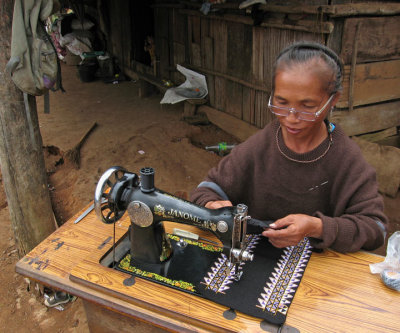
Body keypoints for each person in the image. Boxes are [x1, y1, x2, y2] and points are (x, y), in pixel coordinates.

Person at [190, 41, 388, 253]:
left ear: (333, 100)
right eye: (281, 102)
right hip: (258, 259)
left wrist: (317, 228)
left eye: (307, 106)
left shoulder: (345, 158)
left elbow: (376, 229)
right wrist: (212, 206)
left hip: (316, 270)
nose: (291, 118)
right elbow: (206, 190)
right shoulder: (263, 143)